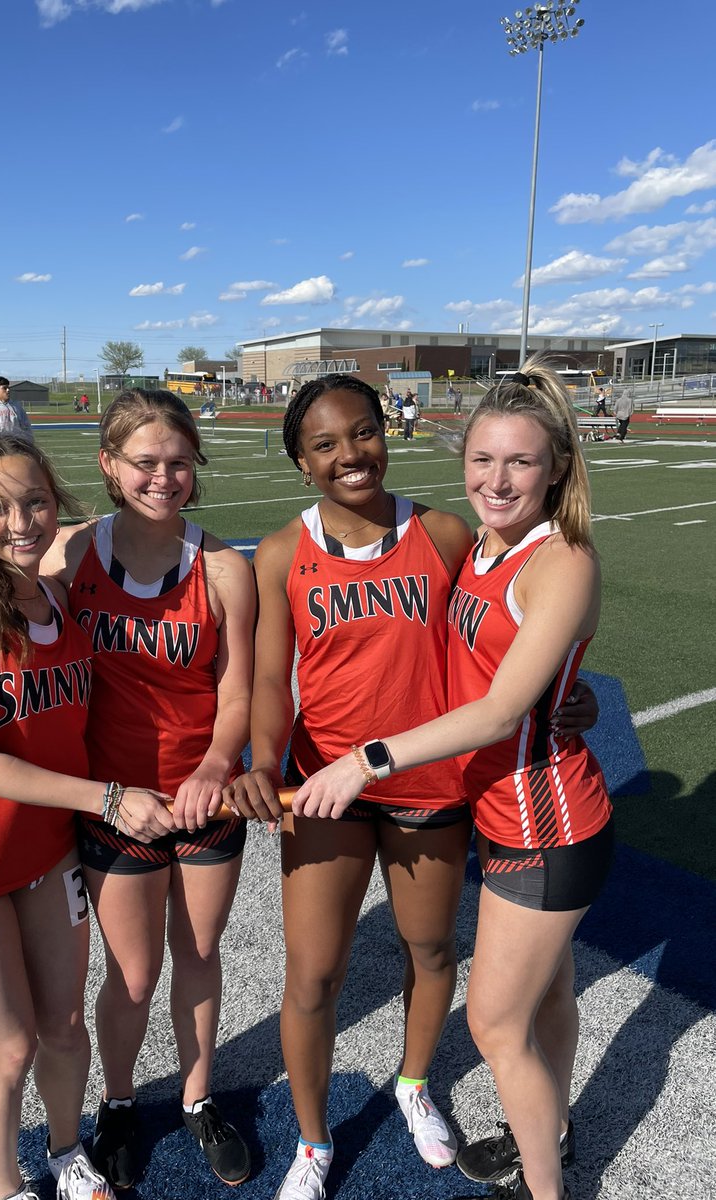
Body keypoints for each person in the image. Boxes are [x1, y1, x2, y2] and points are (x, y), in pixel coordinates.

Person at [224, 374, 596, 1200]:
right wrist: (260, 761)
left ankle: (414, 1083)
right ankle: (314, 1143)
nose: (350, 454)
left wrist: (570, 691)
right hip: (326, 786)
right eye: (325, 444)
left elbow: (507, 639)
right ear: (300, 461)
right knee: (312, 974)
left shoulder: (447, 530)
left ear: (383, 433)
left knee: (429, 951)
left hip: (431, 785)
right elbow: (271, 685)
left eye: (362, 432)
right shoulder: (282, 552)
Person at [0, 434, 159, 1200]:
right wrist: (109, 798)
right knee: (9, 1049)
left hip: (47, 852)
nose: (21, 521)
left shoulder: (50, 584)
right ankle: (4, 1188)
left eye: (36, 500)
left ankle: (63, 1151)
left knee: (65, 1026)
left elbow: (128, 522)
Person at [41, 389, 256, 1191]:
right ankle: (121, 1102)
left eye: (177, 462)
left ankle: (198, 1099)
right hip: (116, 803)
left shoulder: (226, 568)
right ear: (109, 464)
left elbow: (235, 694)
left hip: (206, 800)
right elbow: (4, 613)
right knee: (131, 975)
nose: (162, 476)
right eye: (143, 461)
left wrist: (214, 764)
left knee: (199, 954)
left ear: (195, 467)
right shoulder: (67, 553)